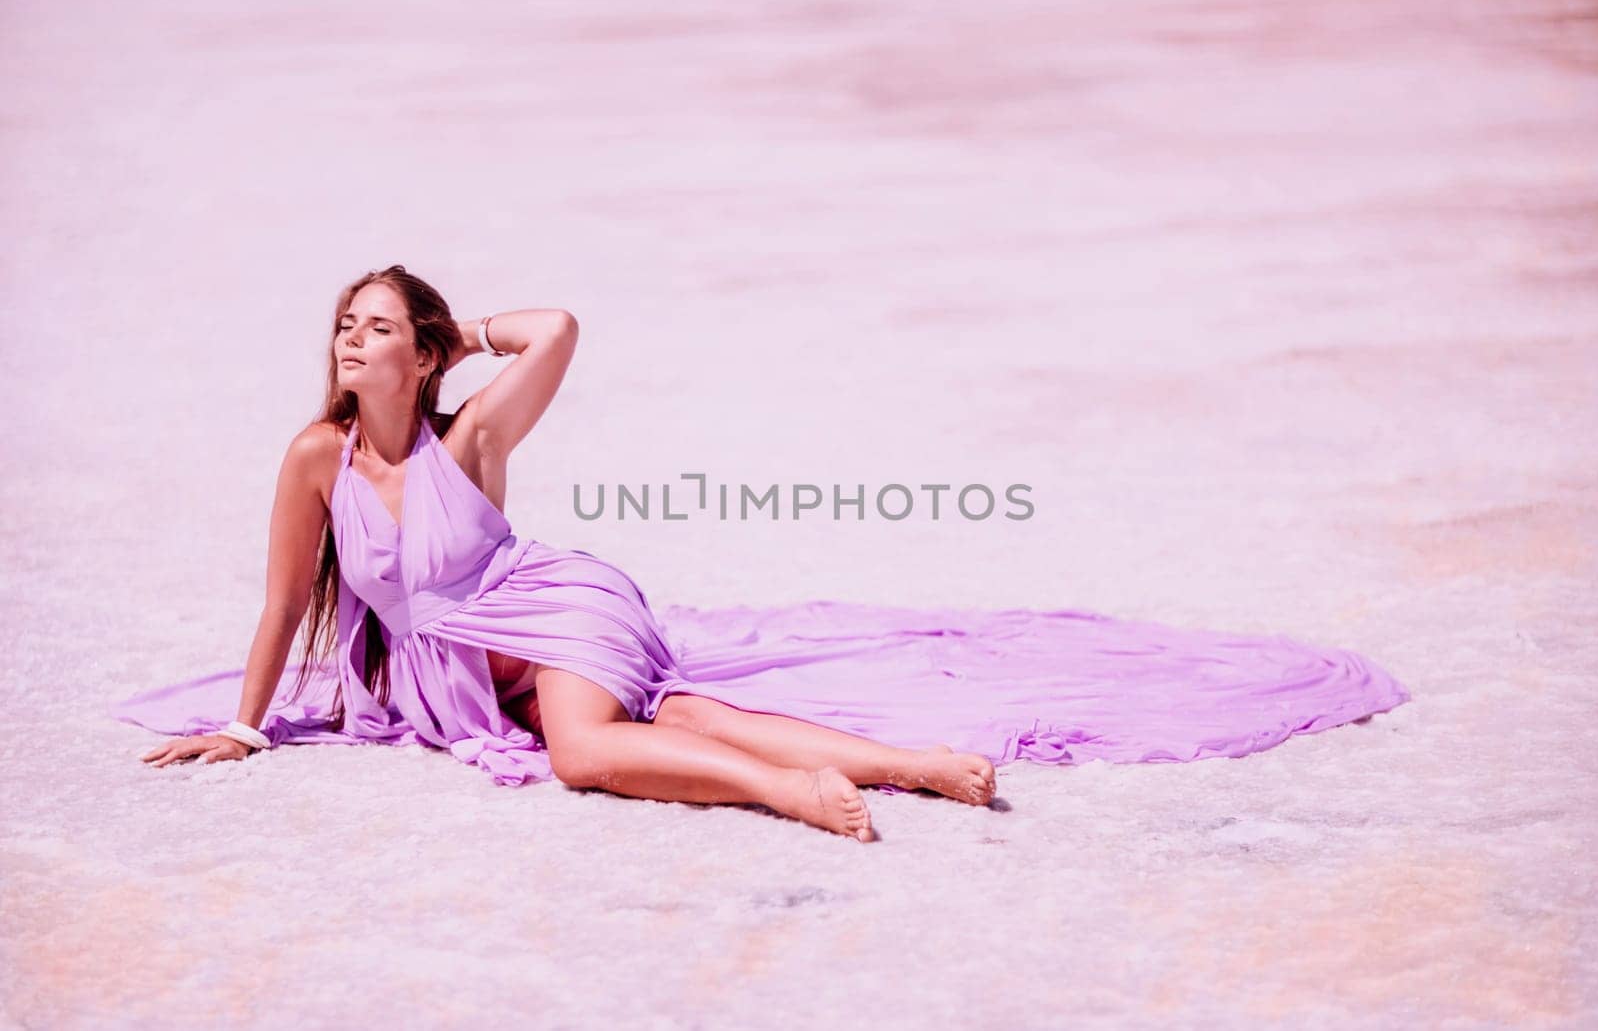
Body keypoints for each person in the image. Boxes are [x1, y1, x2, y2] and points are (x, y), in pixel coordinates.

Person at [113, 265, 1412, 843]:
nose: (352, 339)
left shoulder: (474, 438)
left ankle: (783, 794)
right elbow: (286, 601)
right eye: (345, 322)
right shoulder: (313, 458)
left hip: (557, 619)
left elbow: (560, 325)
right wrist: (242, 722)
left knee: (586, 750)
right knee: (686, 710)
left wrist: (463, 330)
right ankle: (915, 767)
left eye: (379, 325)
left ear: (422, 352)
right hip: (477, 674)